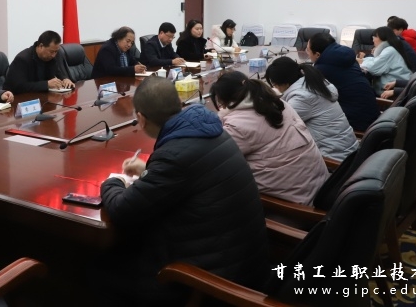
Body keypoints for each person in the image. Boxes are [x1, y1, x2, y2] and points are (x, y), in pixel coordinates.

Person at [98, 77, 267, 306]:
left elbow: (122, 210)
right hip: (244, 262)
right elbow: (188, 175)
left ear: (141, 118)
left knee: (100, 271)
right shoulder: (210, 129)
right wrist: (149, 171)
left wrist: (113, 182)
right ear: (179, 103)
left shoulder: (174, 156)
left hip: (210, 283)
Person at [210, 72, 329, 205]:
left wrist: (220, 117)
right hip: (318, 188)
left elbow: (213, 160)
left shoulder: (238, 125)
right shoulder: (278, 103)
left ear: (223, 101)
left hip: (292, 204)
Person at [265, 57, 359, 161]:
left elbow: (277, 124)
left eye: (274, 84)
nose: (274, 87)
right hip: (348, 150)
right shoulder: (313, 83)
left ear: (285, 83)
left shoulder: (301, 97)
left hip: (334, 158)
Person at [307, 33, 379, 133]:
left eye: (308, 50)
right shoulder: (347, 57)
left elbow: (310, 95)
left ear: (318, 55)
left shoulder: (322, 70)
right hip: (372, 113)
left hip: (357, 121)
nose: (307, 53)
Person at [3, 30, 74, 94]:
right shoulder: (22, 59)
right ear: (41, 46)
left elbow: (58, 72)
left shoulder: (52, 57)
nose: (54, 55)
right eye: (51, 52)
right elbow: (18, 87)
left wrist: (65, 79)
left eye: (56, 51)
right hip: (18, 99)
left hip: (41, 96)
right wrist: (46, 84)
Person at [358, 26, 415, 96]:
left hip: (393, 88)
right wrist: (362, 60)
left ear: (383, 38)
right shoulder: (390, 48)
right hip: (396, 85)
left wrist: (360, 62)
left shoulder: (389, 51)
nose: (373, 40)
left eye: (375, 37)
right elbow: (376, 60)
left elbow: (373, 68)